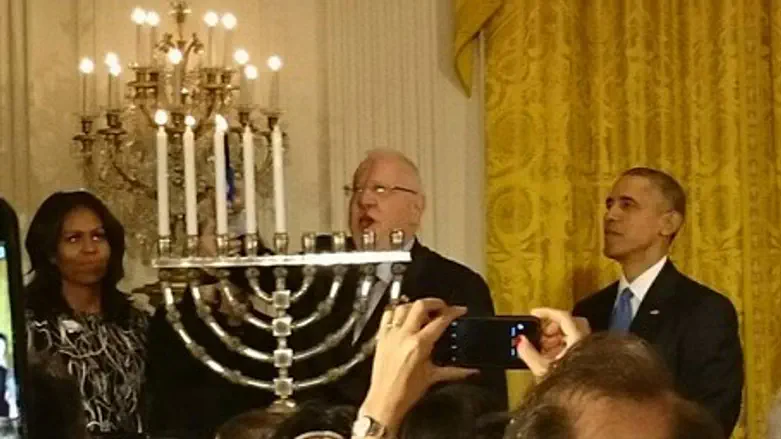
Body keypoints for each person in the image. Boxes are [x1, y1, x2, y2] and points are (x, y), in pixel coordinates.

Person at [307, 149, 505, 408]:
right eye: (356, 190)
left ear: (416, 208)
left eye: (380, 190)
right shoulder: (320, 272)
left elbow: (479, 396)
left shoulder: (456, 286)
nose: (364, 200)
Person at [570, 167, 743, 436]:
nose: (611, 215)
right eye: (610, 204)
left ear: (668, 223)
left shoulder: (704, 310)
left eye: (628, 205)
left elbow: (713, 417)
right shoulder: (588, 311)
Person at [24, 191, 148, 435]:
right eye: (73, 239)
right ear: (50, 253)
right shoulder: (30, 329)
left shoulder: (136, 323)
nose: (90, 249)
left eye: (98, 236)